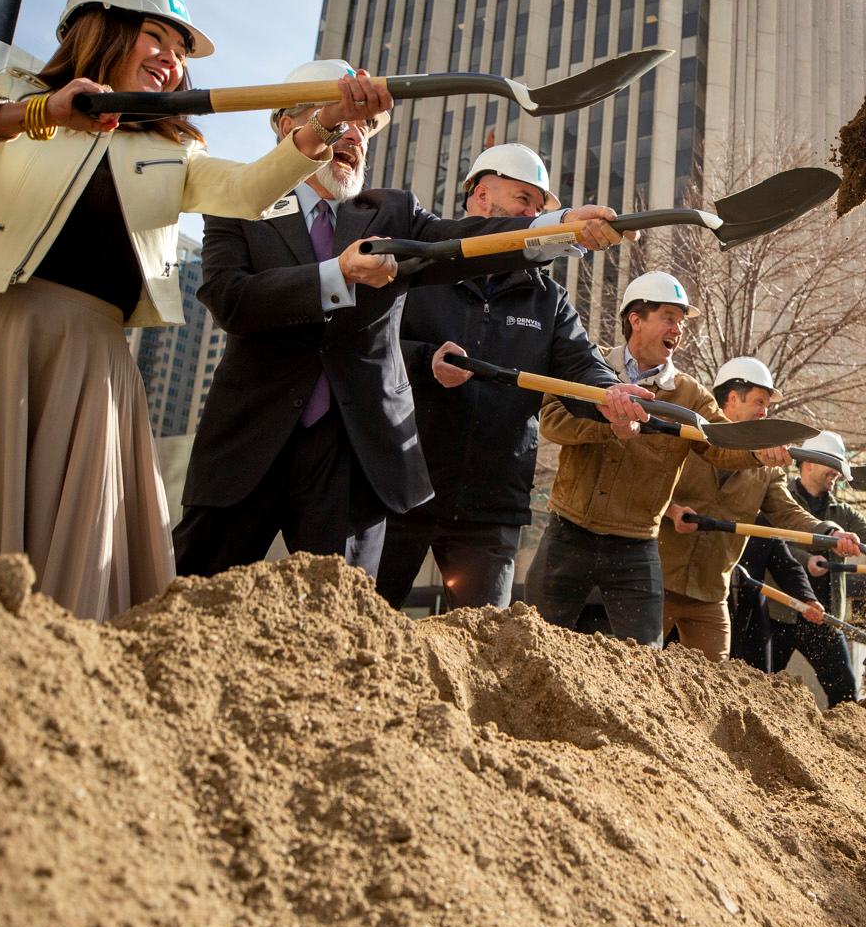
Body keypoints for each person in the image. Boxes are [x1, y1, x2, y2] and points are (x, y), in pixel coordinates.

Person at [0, 0, 390, 620]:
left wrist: (323, 127)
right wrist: (36, 111)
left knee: (71, 562)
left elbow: (246, 192)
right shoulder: (15, 98)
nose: (171, 61)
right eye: (157, 38)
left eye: (180, 54)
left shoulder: (170, 148)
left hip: (89, 363)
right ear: (103, 28)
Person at [174, 67, 624, 577]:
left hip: (352, 460)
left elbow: (465, 242)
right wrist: (335, 274)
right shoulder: (239, 201)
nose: (354, 137)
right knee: (194, 600)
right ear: (287, 126)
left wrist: (553, 228)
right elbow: (231, 299)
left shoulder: (393, 213)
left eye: (364, 128)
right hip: (247, 448)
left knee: (339, 632)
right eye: (339, 119)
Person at [360, 144, 619, 611]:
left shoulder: (549, 299)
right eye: (524, 200)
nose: (532, 215)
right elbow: (364, 344)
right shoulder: (419, 269)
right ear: (481, 195)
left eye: (539, 209)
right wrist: (425, 361)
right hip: (401, 487)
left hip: (490, 504)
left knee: (487, 651)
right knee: (366, 622)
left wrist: (610, 395)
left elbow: (582, 366)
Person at [528, 272, 786, 645]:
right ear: (636, 318)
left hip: (635, 546)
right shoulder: (587, 363)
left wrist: (759, 452)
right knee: (535, 638)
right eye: (668, 317)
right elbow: (552, 419)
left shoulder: (691, 396)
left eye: (680, 322)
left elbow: (719, 444)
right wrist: (608, 427)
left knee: (645, 659)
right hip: (568, 531)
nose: (677, 330)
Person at [658, 357, 858, 657]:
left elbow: (787, 513)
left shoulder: (767, 468)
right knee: (635, 665)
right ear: (732, 398)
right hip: (660, 580)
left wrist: (827, 531)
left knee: (713, 683)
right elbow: (648, 487)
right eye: (759, 402)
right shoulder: (688, 438)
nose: (765, 412)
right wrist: (672, 510)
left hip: (710, 593)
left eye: (767, 405)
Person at [775, 432, 866, 705]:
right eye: (833, 464)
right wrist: (804, 560)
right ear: (809, 464)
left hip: (825, 618)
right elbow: (769, 543)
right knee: (756, 681)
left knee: (846, 695)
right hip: (780, 615)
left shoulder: (843, 513)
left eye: (841, 465)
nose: (838, 472)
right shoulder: (780, 499)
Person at [730, 537, 827, 672]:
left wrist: (807, 598)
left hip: (750, 611)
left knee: (755, 675)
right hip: (711, 604)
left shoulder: (764, 524)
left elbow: (787, 567)